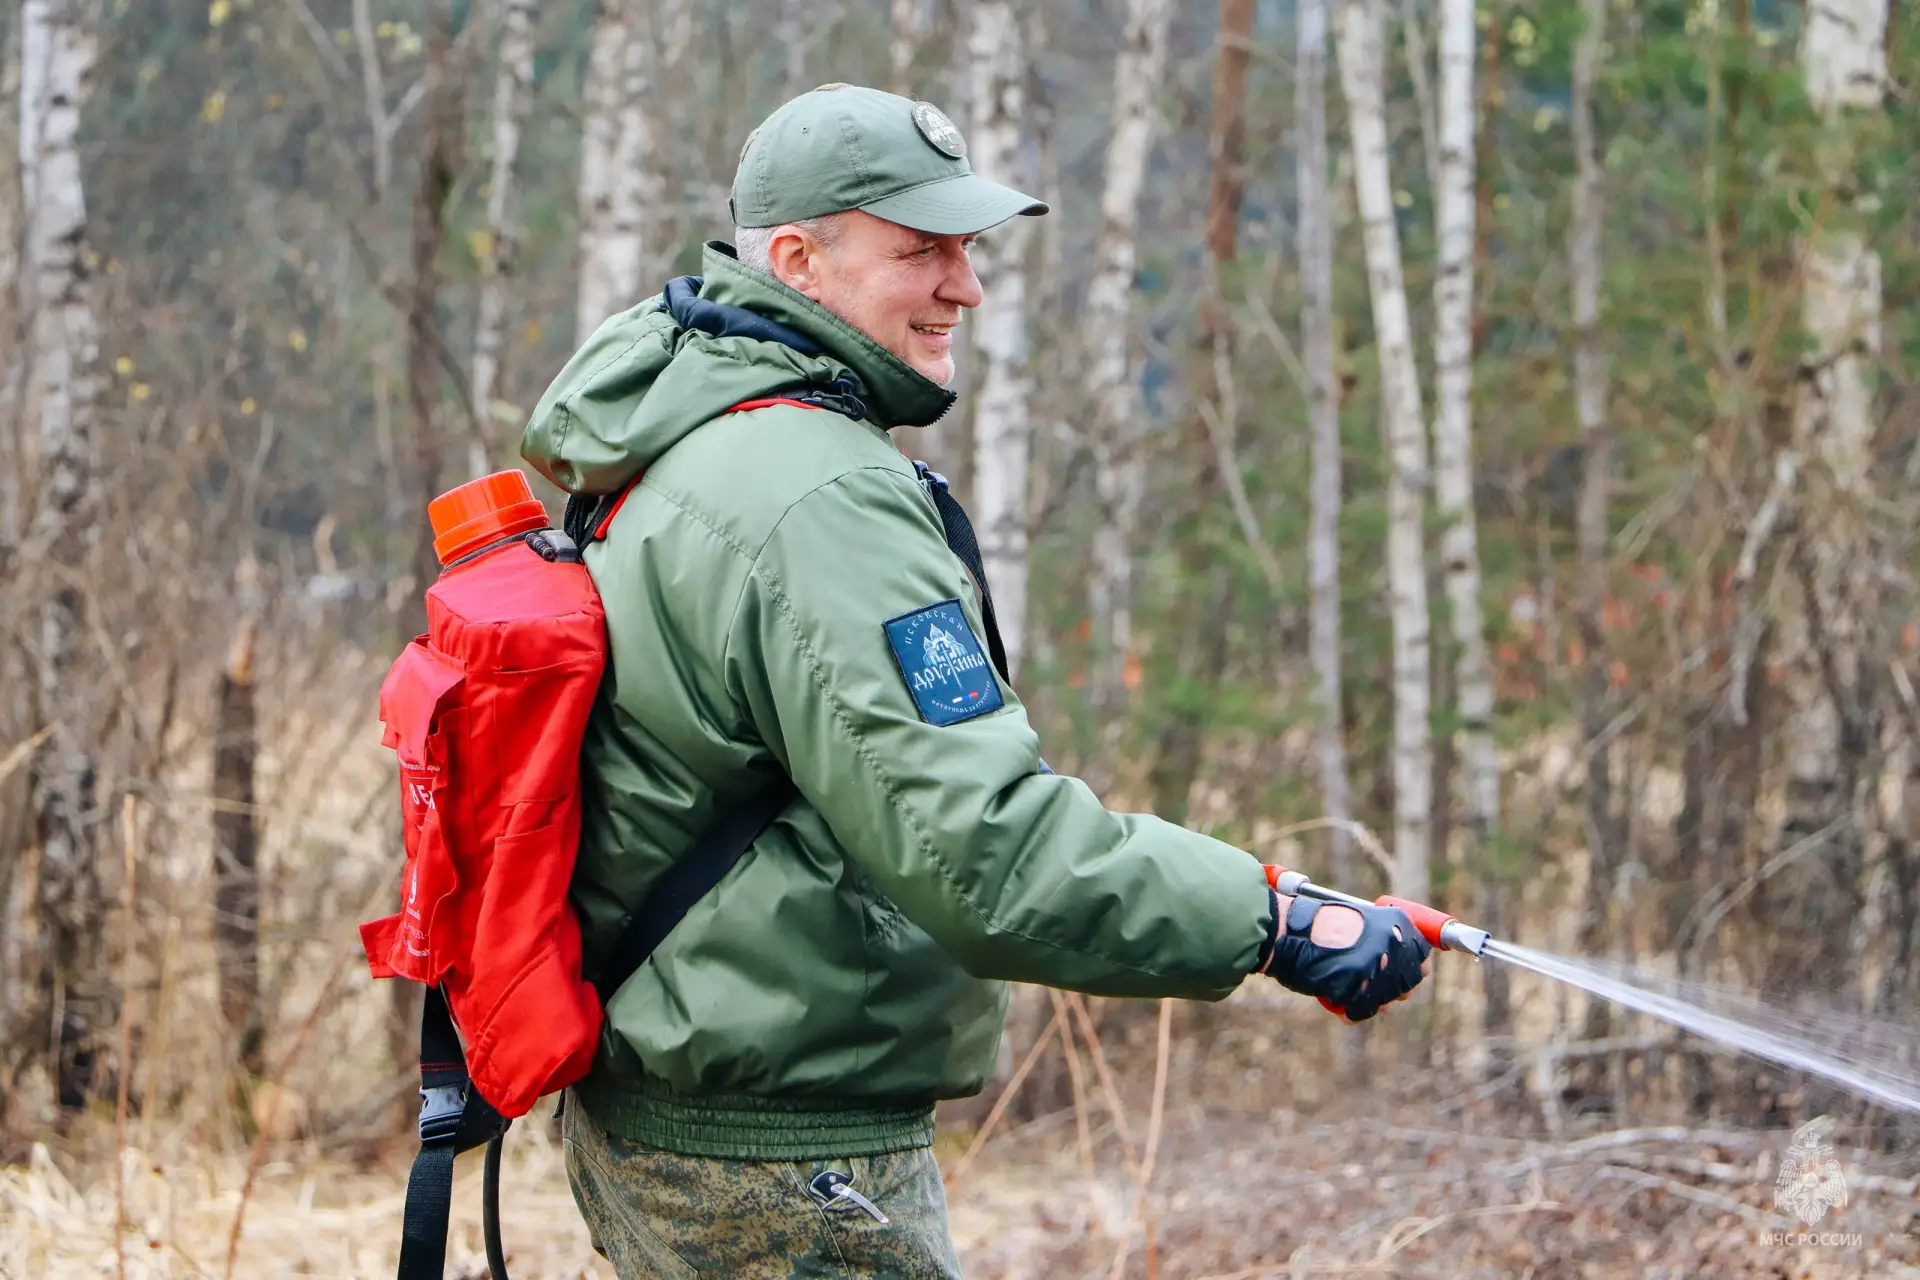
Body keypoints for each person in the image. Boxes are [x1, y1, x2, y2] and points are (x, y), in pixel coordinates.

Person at [518, 83, 1430, 1280]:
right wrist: (1275, 918)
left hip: (686, 1121)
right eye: (920, 250)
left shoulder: (695, 436)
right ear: (797, 258)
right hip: (780, 1161)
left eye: (967, 246)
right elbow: (982, 853)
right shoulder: (817, 491)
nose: (967, 284)